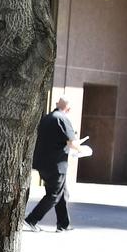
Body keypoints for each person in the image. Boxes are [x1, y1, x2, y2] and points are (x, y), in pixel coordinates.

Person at [24, 98, 80, 232]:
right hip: (57, 164)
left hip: (43, 163)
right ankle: (32, 219)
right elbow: (71, 142)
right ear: (69, 108)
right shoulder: (62, 119)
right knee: (54, 195)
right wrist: (81, 150)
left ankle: (63, 224)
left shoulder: (47, 118)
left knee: (62, 193)